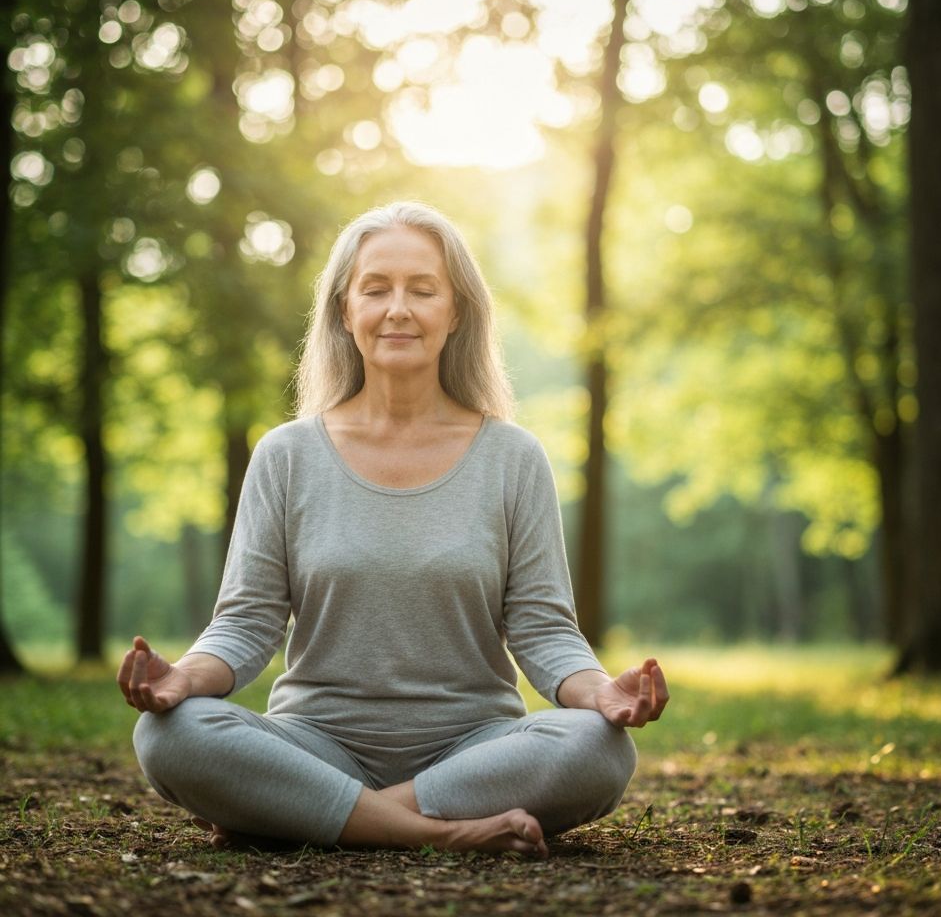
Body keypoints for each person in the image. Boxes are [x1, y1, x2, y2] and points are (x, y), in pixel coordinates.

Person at [119, 201, 669, 857]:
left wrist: (602, 692)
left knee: (598, 747)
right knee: (167, 735)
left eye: (423, 290)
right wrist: (181, 679)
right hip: (316, 744)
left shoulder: (513, 458)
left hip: (473, 752)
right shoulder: (286, 455)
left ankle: (307, 814)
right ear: (345, 312)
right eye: (375, 289)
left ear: (457, 311)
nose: (398, 308)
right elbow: (246, 624)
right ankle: (439, 834)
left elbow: (543, 630)